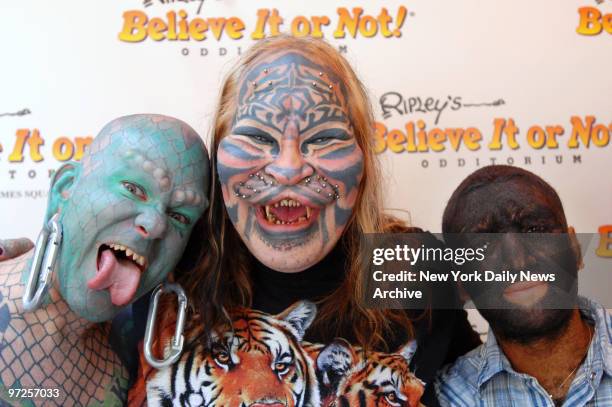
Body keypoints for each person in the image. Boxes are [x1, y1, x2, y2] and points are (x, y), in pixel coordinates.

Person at [129, 36, 480, 407]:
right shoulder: (172, 253)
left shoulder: (413, 266)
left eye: (325, 138)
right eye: (257, 136)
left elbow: (506, 367)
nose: (289, 169)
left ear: (363, 161)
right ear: (217, 153)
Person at [0, 114, 210, 406]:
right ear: (65, 188)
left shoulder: (138, 353)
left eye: (179, 217)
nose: (155, 225)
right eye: (133, 189)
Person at [436, 165, 611, 406]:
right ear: (462, 283)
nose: (517, 262)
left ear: (574, 249)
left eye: (534, 230)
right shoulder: (447, 398)